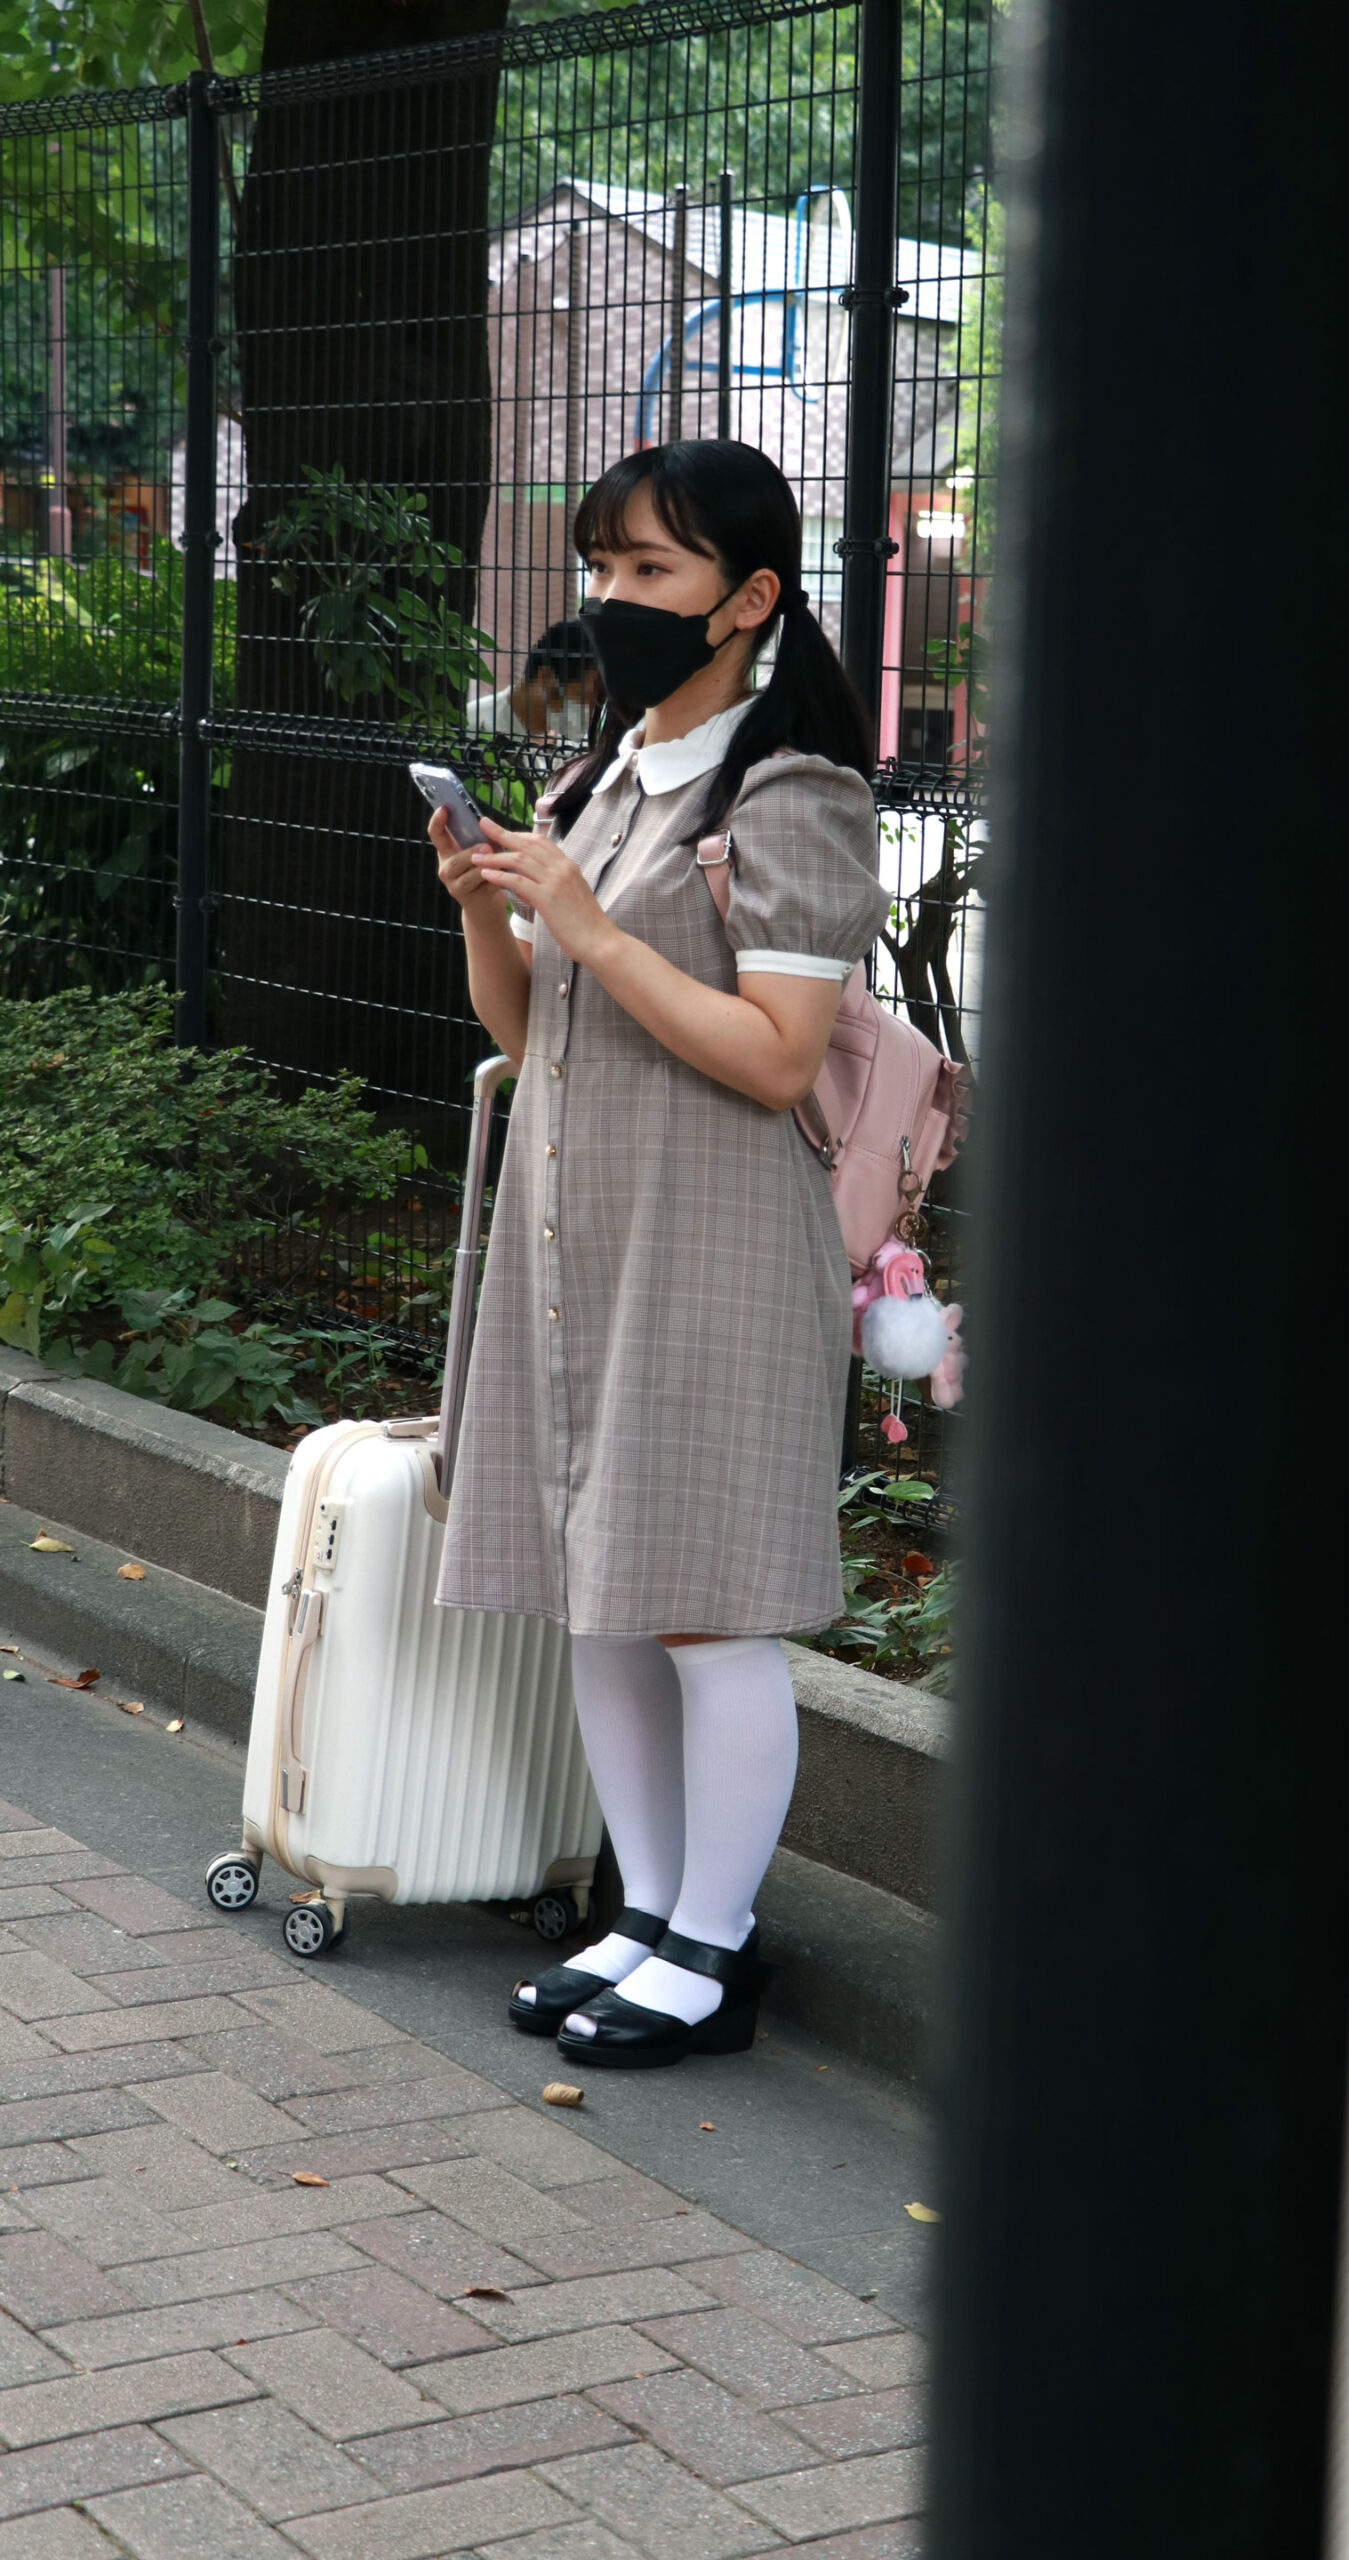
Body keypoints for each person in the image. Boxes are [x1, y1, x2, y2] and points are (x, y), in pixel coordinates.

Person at [426, 439, 884, 2069]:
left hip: (712, 1245)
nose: (612, 602)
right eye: (602, 567)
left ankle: (714, 1943)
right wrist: (493, 906)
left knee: (705, 1611)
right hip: (574, 1231)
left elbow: (775, 1054)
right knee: (599, 1599)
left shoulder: (798, 794)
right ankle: (641, 1921)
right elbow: (525, 1027)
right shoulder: (606, 776)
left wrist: (591, 921)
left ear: (748, 600)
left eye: (651, 573)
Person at [468, 619, 599, 741]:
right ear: (546, 678)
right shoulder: (477, 728)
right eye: (582, 698)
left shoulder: (566, 743)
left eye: (597, 702)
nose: (590, 711)